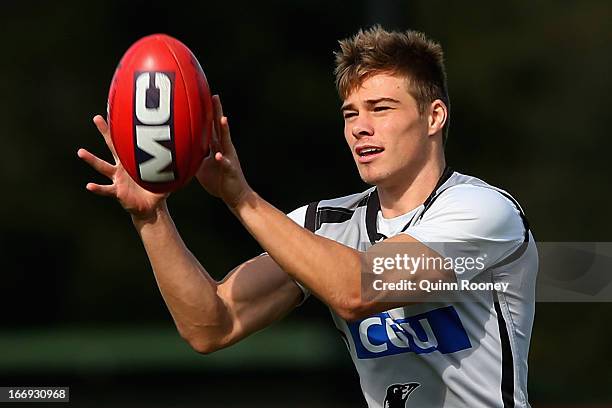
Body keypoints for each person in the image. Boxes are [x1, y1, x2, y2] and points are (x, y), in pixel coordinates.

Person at [78, 26, 537, 408]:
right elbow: (211, 325)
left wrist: (241, 197)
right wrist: (151, 216)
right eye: (350, 113)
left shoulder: (484, 212)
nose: (360, 127)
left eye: (382, 108)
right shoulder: (327, 225)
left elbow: (357, 289)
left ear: (434, 116)